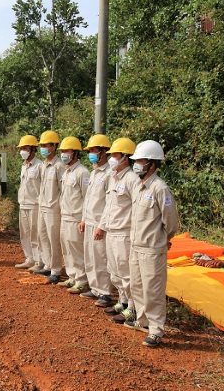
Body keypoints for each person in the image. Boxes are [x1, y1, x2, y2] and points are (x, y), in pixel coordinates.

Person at [123, 140, 179, 347]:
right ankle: (143, 321)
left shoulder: (160, 188)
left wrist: (164, 240)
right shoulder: (138, 186)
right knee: (137, 286)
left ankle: (156, 330)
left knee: (153, 290)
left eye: (141, 160)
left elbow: (171, 221)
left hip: (152, 249)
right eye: (136, 160)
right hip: (136, 246)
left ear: (152, 164)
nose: (136, 164)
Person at [97, 138, 139, 323]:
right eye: (111, 155)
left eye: (115, 155)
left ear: (125, 157)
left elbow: (138, 209)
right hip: (112, 231)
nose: (112, 158)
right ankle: (122, 302)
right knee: (114, 271)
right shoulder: (113, 178)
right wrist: (101, 226)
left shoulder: (132, 179)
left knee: (126, 273)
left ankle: (133, 307)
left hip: (125, 233)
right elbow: (108, 206)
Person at [78, 134, 114, 307]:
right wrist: (84, 219)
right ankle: (94, 288)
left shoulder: (109, 174)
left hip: (100, 223)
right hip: (90, 220)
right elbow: (88, 199)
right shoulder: (93, 172)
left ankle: (105, 293)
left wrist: (102, 225)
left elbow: (109, 203)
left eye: (93, 150)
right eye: (90, 150)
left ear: (103, 151)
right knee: (90, 257)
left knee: (101, 258)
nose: (91, 153)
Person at [56, 137, 91, 293]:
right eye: (62, 151)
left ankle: (82, 279)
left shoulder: (82, 173)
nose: (64, 154)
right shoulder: (67, 172)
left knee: (76, 250)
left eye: (67, 151)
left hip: (76, 218)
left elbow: (87, 198)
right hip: (65, 216)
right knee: (67, 249)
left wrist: (83, 219)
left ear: (76, 153)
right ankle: (72, 276)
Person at [34, 130, 66, 284]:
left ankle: (56, 269)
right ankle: (48, 264)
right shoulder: (44, 165)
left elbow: (63, 189)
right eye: (42, 145)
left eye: (46, 145)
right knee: (43, 236)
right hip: (43, 205)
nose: (43, 148)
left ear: (54, 146)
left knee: (54, 239)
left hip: (54, 208)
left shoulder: (59, 166)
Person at [14, 135, 42, 270]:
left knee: (35, 234)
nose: (22, 151)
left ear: (32, 149)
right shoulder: (24, 166)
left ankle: (38, 261)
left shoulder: (40, 166)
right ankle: (29, 258)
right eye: (21, 148)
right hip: (23, 203)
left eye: (25, 148)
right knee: (24, 233)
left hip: (35, 204)